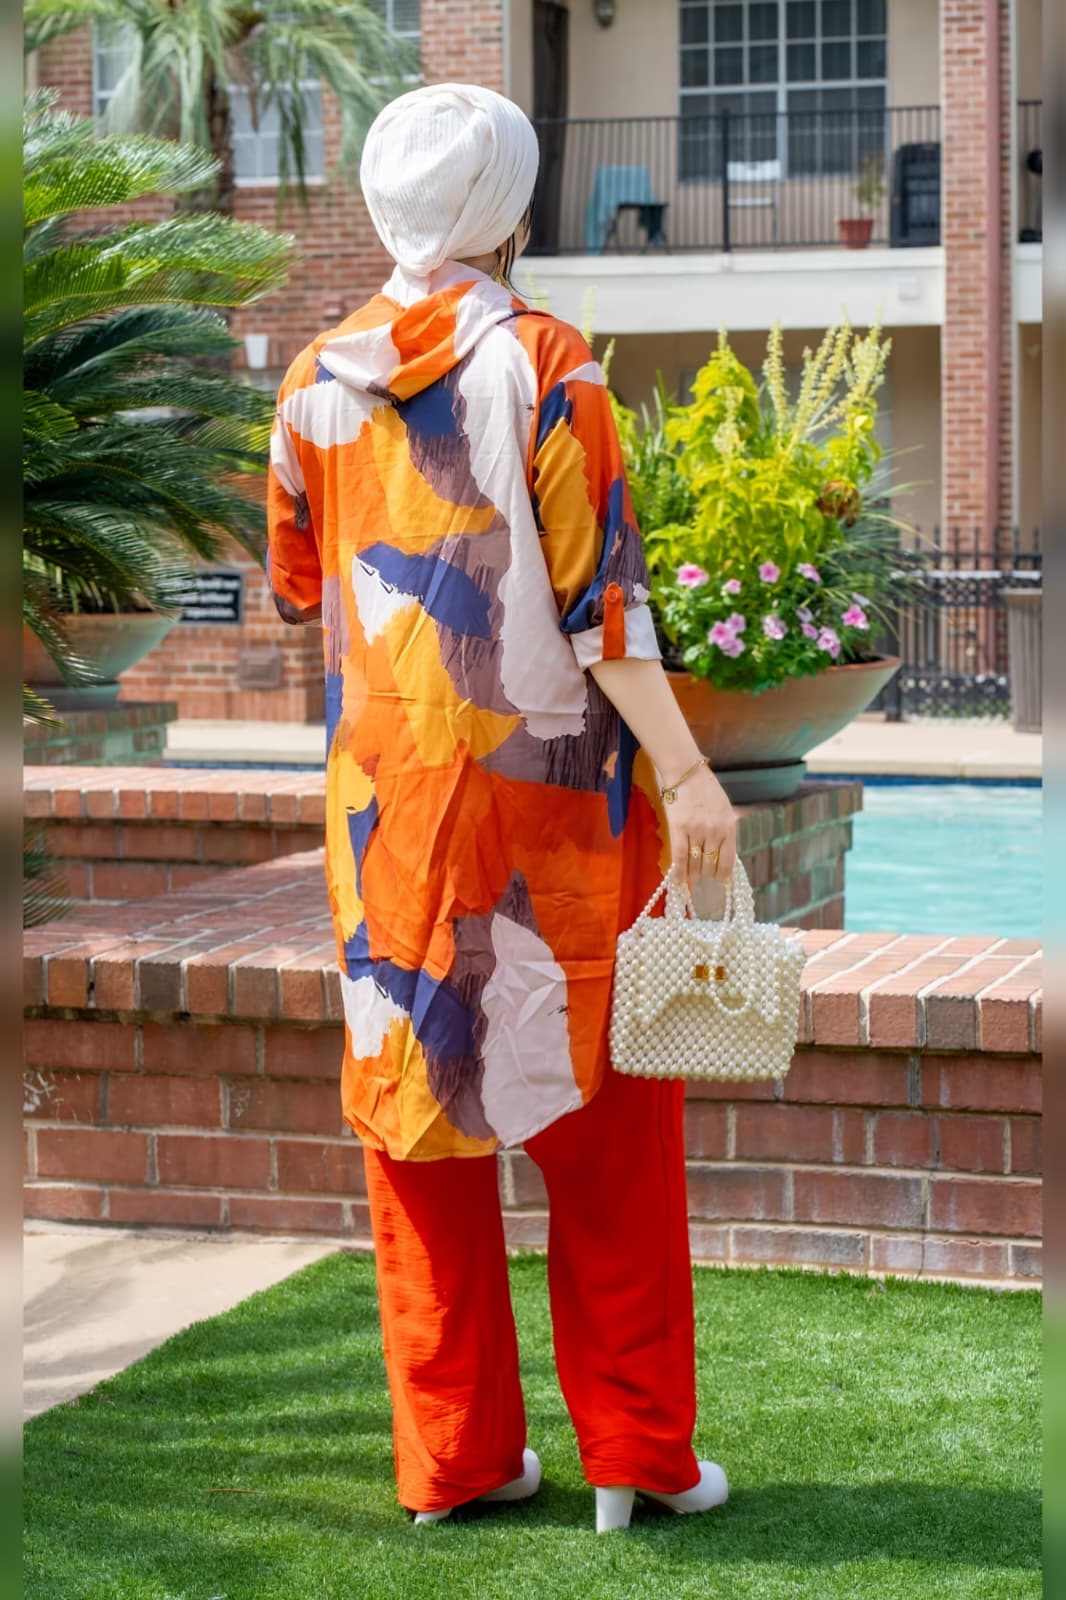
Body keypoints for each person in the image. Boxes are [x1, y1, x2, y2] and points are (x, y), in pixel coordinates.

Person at [265, 81, 739, 1535]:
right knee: (605, 1138)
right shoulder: (549, 365)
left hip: (391, 821)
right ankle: (635, 1456)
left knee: (417, 1132)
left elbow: (298, 581)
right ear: (509, 210)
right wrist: (690, 771)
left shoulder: (309, 383)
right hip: (555, 816)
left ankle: (457, 1463)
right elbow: (609, 612)